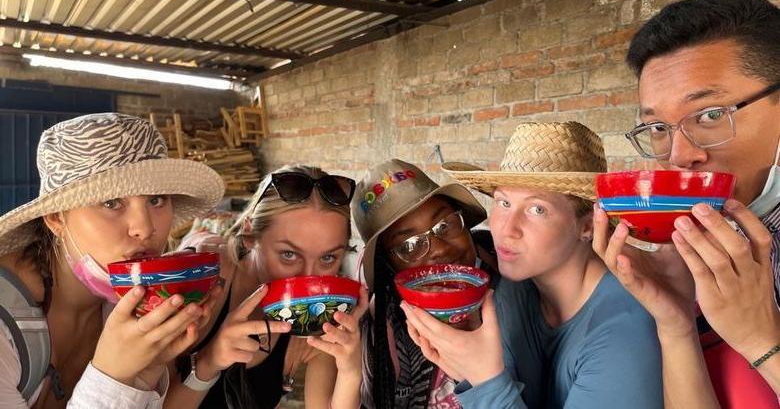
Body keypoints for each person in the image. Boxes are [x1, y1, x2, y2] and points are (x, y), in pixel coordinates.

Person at [593, 0, 780, 408]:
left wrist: (760, 339)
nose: (679, 155)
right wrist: (675, 320)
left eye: (710, 115)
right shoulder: (715, 245)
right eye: (657, 127)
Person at [402, 122, 663, 408]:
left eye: (537, 209)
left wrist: (485, 379)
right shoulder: (512, 291)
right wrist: (465, 367)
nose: (506, 229)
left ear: (588, 226)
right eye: (503, 203)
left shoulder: (624, 335)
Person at [0, 113, 225, 408]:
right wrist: (112, 378)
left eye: (156, 200)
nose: (145, 229)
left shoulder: (129, 304)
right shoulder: (6, 325)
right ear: (56, 217)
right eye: (111, 202)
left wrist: (148, 371)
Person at [163, 165, 368, 409]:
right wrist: (208, 362)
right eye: (289, 254)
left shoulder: (319, 313)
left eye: (327, 258)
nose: (308, 278)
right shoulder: (197, 285)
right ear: (250, 234)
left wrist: (350, 371)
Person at [351, 159, 497, 409]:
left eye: (445, 225)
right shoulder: (381, 334)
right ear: (388, 266)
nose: (439, 249)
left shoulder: (515, 289)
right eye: (410, 245)